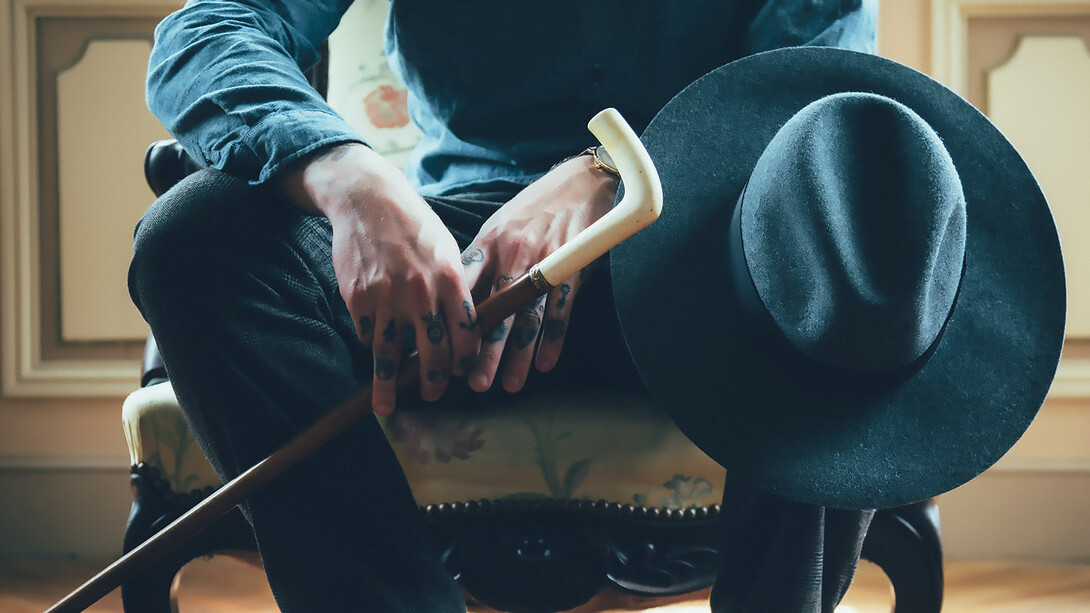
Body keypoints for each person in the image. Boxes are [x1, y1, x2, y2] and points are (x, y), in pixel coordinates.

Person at [130, 1, 878, 611]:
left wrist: (609, 169)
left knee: (857, 243)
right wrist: (351, 176)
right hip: (456, 261)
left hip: (697, 261)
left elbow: (811, 95)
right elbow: (206, 31)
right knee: (191, 239)